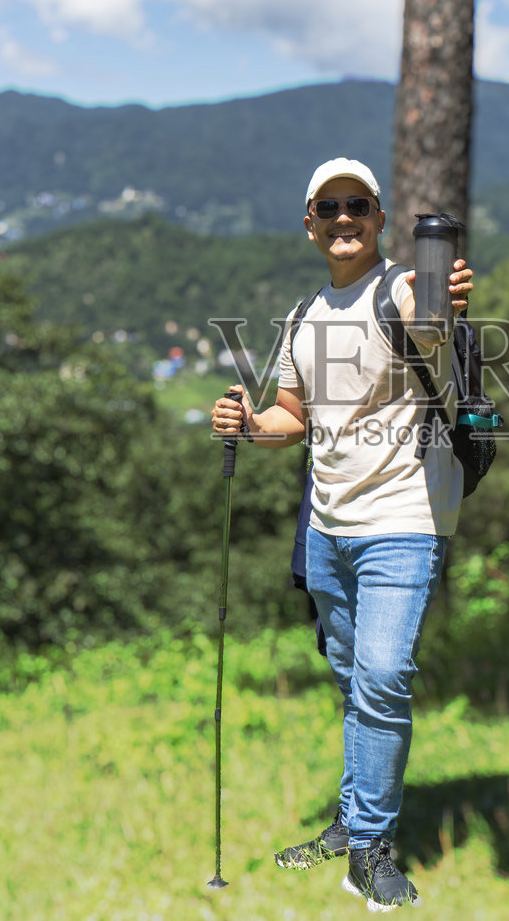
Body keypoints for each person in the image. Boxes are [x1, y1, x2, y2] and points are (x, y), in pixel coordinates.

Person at [210, 156, 473, 911]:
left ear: (381, 219)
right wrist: (251, 423)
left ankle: (373, 848)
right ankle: (351, 821)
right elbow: (293, 417)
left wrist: (448, 296)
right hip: (326, 528)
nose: (345, 218)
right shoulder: (302, 316)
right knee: (353, 678)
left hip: (403, 520)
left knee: (383, 676)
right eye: (330, 208)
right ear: (310, 225)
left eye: (359, 205)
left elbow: (436, 319)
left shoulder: (403, 288)